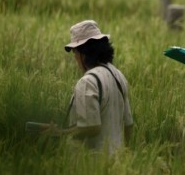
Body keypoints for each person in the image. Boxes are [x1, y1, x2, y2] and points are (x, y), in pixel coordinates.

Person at [45, 20, 133, 154]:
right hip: (118, 163)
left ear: (84, 53)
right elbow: (128, 124)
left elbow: (91, 126)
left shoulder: (87, 82)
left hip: (93, 163)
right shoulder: (118, 75)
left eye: (75, 52)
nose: (75, 57)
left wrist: (60, 132)